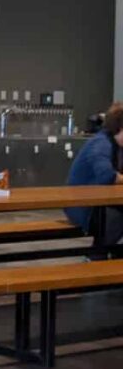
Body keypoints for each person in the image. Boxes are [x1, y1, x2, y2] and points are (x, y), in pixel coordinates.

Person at [66, 102, 123, 257]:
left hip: (101, 204)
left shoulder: (117, 146)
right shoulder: (101, 144)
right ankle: (96, 257)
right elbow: (107, 176)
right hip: (82, 207)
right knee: (117, 218)